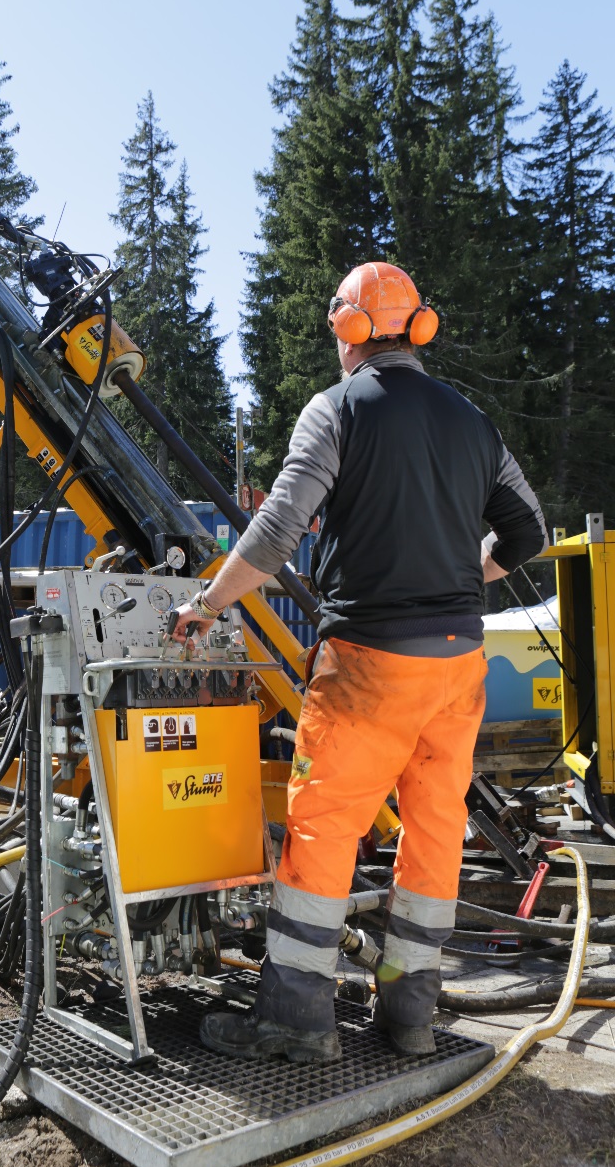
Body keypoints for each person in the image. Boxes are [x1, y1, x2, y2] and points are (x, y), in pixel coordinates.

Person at [171, 261, 547, 1064]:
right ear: (417, 328)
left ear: (347, 329)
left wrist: (207, 603)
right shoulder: (472, 422)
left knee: (324, 829)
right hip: (459, 666)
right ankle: (409, 1014)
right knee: (436, 832)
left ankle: (297, 1018)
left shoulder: (335, 411)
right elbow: (528, 536)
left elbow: (276, 535)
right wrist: (458, 577)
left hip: (369, 662)